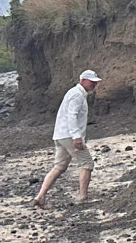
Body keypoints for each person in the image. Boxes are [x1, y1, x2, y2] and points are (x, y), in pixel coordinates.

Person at [35, 71, 101, 209]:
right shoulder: (77, 95)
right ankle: (83, 197)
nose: (94, 84)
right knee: (87, 164)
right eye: (91, 81)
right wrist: (76, 137)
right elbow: (72, 116)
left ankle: (40, 196)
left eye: (95, 82)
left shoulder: (74, 93)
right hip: (69, 136)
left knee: (59, 167)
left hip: (60, 135)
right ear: (82, 80)